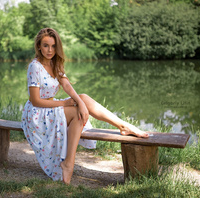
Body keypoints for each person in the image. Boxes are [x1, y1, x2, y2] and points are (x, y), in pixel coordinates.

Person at [21, 28, 149, 185]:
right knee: (78, 112)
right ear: (39, 46)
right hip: (37, 114)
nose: (50, 50)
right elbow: (35, 101)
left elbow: (67, 85)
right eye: (46, 45)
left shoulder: (55, 63)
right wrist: (65, 103)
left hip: (50, 107)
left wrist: (80, 102)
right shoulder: (34, 67)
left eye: (53, 46)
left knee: (84, 100)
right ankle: (68, 163)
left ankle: (122, 126)